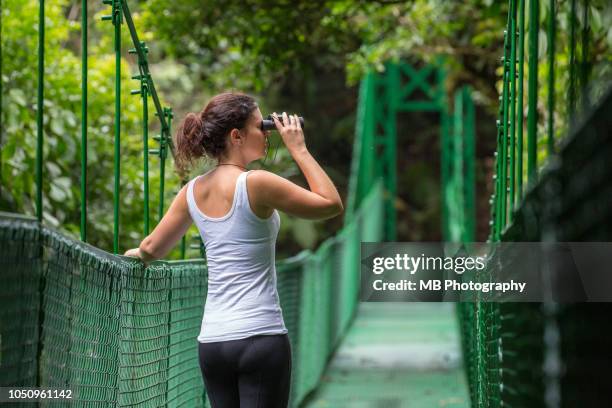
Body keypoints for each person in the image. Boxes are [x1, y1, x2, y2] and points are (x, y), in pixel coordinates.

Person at [124, 92, 343, 407]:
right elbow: (330, 204)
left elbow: (150, 248)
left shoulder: (191, 192)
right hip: (261, 336)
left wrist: (135, 257)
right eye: (260, 126)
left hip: (213, 343)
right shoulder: (257, 183)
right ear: (236, 136)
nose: (267, 133)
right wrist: (299, 149)